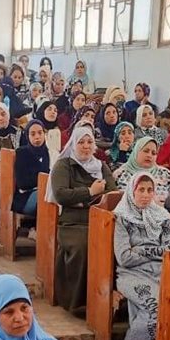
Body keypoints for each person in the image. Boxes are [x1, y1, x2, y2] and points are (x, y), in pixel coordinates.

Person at [47, 125, 118, 315]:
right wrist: (89, 191)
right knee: (83, 247)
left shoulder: (101, 166)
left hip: (99, 220)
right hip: (73, 222)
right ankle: (77, 302)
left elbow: (112, 191)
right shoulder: (64, 165)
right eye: (81, 142)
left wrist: (82, 199)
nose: (86, 146)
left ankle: (105, 301)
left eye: (89, 142)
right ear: (73, 144)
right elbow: (61, 194)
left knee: (115, 246)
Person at [114, 173, 170, 340]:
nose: (146, 195)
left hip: (160, 272)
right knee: (154, 306)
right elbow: (124, 257)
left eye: (150, 190)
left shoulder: (163, 218)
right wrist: (156, 252)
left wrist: (141, 250)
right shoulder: (123, 218)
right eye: (141, 190)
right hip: (132, 274)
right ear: (132, 191)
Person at [114, 136, 170, 205]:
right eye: (146, 151)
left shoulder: (165, 174)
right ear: (136, 152)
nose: (149, 155)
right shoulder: (121, 173)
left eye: (153, 153)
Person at [11, 119, 50, 221]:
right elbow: (22, 183)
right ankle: (37, 227)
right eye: (33, 134)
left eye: (40, 133)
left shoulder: (48, 152)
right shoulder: (22, 153)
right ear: (27, 136)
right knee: (46, 194)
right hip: (25, 196)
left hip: (45, 191)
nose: (37, 137)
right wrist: (43, 180)